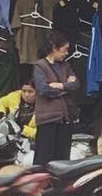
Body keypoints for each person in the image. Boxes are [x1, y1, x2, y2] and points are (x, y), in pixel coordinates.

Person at [32, 31, 79, 165]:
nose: (67, 53)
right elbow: (43, 89)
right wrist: (66, 88)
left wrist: (60, 86)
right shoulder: (40, 66)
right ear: (54, 48)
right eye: (65, 50)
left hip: (65, 119)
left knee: (62, 160)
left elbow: (75, 85)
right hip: (48, 120)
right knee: (44, 159)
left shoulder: (66, 66)